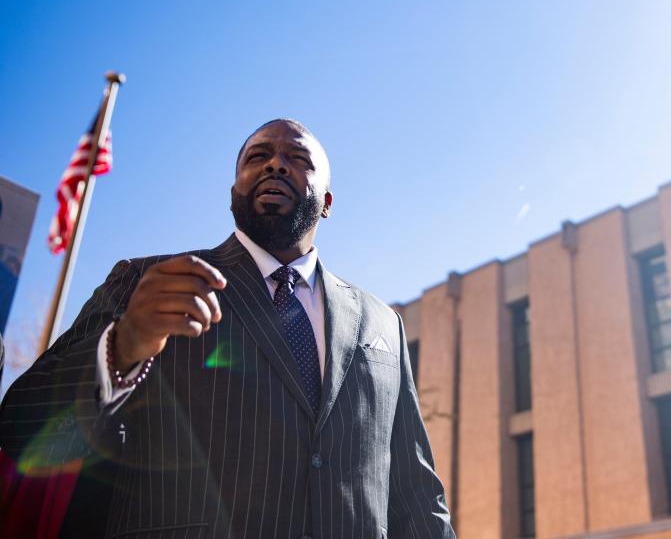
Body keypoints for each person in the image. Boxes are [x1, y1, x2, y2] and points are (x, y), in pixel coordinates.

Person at [0, 119, 455, 538]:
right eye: (257, 156)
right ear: (234, 190)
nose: (275, 163)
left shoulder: (383, 324)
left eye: (297, 159)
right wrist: (121, 348)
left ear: (328, 203)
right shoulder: (146, 283)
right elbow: (22, 429)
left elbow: (416, 492)